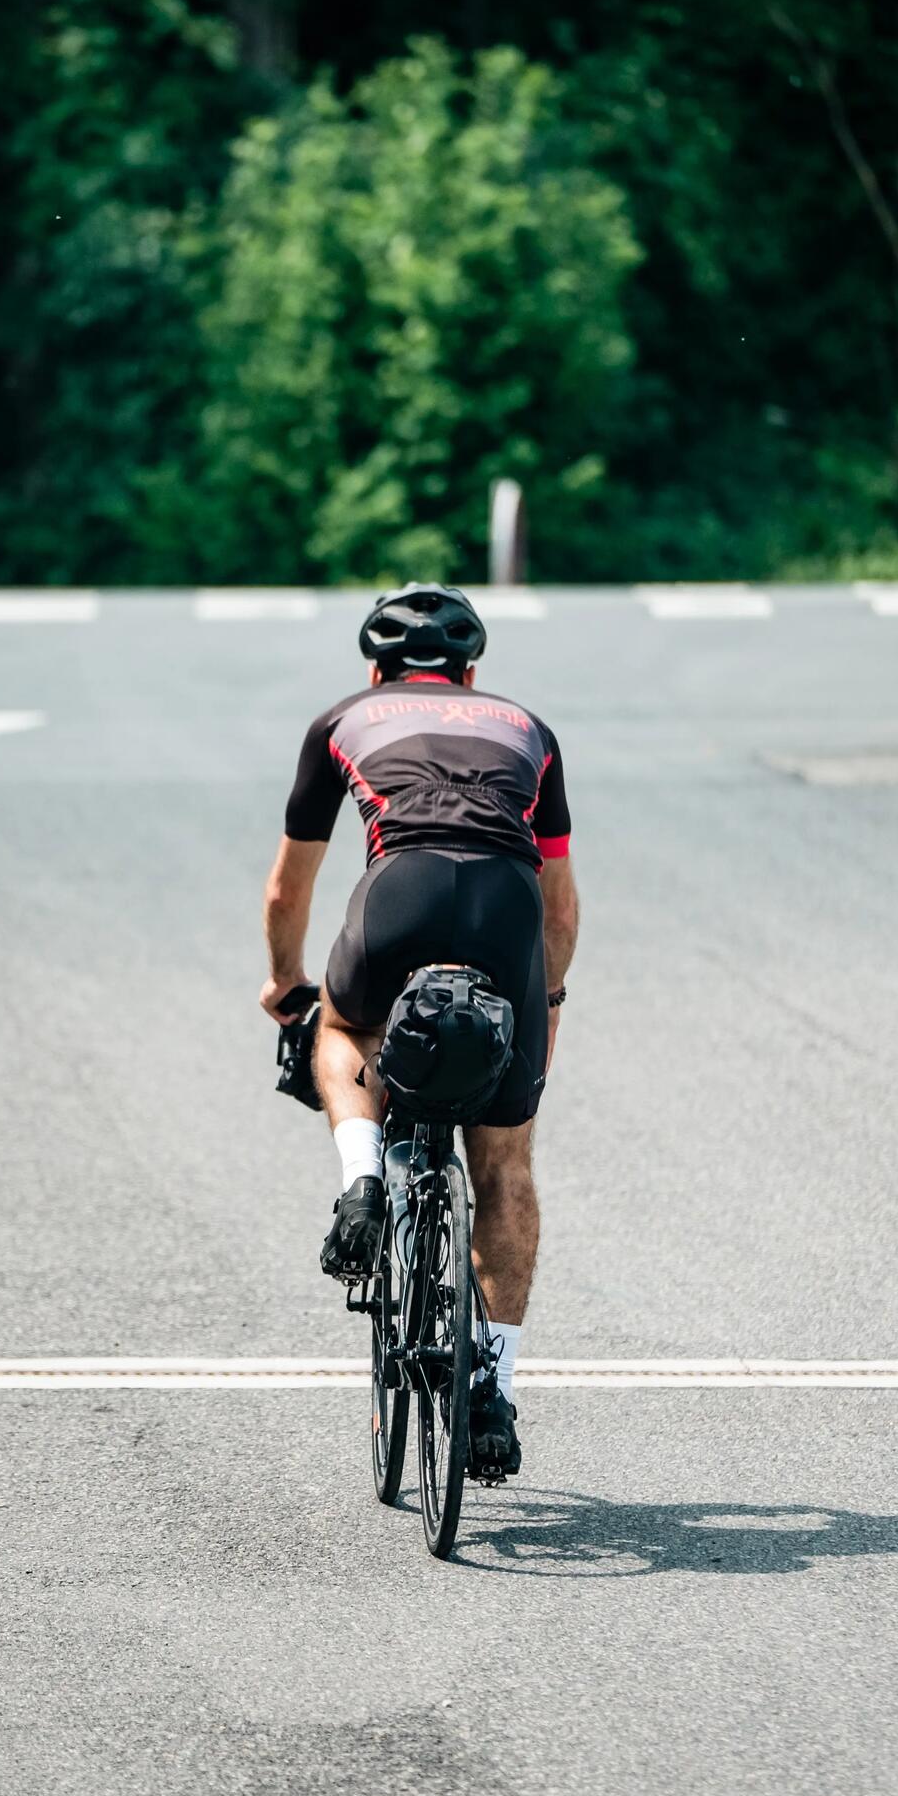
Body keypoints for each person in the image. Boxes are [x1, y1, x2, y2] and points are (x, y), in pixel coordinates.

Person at [260, 583, 579, 1478]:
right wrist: (544, 1002)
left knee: (343, 1026)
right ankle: (496, 1391)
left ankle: (362, 1183)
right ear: (472, 672)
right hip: (505, 908)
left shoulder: (341, 719)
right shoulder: (529, 729)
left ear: (376, 668)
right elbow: (559, 904)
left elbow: (289, 889)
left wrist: (287, 986)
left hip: (397, 891)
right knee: (506, 1165)